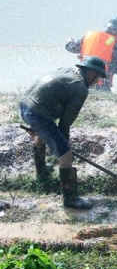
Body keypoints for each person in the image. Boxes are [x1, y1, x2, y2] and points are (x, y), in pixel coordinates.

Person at [19, 56, 107, 209]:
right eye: (98, 77)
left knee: (42, 135)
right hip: (38, 113)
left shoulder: (68, 70)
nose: (97, 82)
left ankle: (42, 173)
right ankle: (70, 199)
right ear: (92, 73)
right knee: (65, 154)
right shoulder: (80, 88)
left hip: (25, 105)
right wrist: (63, 147)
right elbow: (65, 122)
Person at [65, 17, 117, 92]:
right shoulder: (115, 44)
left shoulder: (89, 37)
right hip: (101, 84)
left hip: (83, 81)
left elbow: (72, 48)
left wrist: (69, 42)